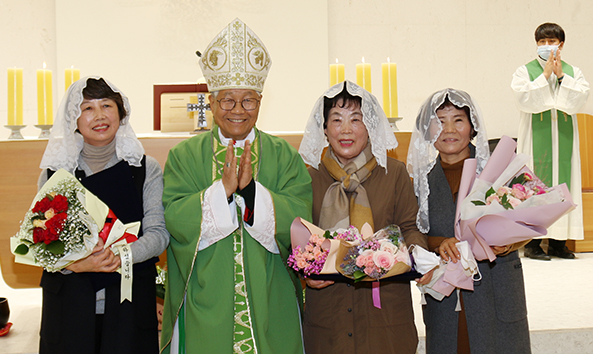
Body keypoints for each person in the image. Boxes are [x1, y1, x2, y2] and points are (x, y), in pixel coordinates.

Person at [160, 18, 312, 354]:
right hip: (205, 298)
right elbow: (174, 217)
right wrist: (220, 192)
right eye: (228, 100)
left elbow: (301, 219)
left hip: (270, 295)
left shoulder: (283, 154)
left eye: (249, 101)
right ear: (211, 102)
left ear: (260, 101)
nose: (238, 111)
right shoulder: (185, 155)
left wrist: (252, 193)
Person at [37, 76, 170, 354]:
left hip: (128, 303)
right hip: (69, 304)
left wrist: (118, 256)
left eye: (107, 105)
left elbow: (159, 234)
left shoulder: (145, 169)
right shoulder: (56, 174)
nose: (99, 116)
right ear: (73, 118)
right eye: (87, 108)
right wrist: (77, 262)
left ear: (121, 114)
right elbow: (43, 243)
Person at [298, 81, 430, 354]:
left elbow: (410, 227)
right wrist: (305, 274)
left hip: (384, 311)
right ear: (324, 128)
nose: (345, 130)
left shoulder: (393, 174)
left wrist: (417, 255)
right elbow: (299, 244)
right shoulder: (308, 180)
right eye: (336, 119)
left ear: (370, 126)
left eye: (356, 120)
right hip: (328, 310)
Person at [407, 88, 531, 353]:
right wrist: (440, 243)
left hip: (496, 287)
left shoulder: (500, 170)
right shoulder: (420, 184)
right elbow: (411, 233)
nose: (448, 129)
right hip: (446, 294)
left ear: (472, 126)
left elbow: (529, 222)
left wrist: (508, 244)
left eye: (458, 120)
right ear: (427, 131)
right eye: (439, 121)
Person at [511, 22, 590, 260]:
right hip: (536, 140)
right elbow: (524, 99)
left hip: (563, 138)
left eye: (551, 41)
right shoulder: (524, 71)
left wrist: (561, 76)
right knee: (535, 184)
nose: (547, 46)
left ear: (561, 44)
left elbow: (579, 99)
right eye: (542, 42)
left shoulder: (573, 72)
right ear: (536, 44)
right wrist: (545, 76)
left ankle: (558, 243)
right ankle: (533, 243)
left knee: (564, 186)